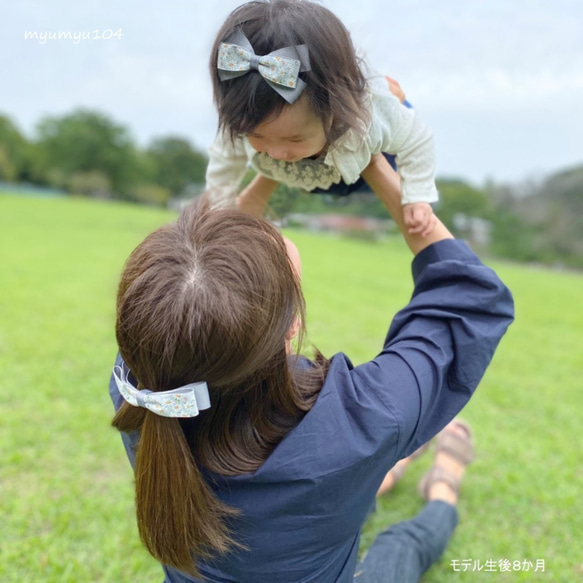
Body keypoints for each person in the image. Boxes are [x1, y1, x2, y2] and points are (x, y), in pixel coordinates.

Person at [108, 154, 514, 582]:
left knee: (351, 482)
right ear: (292, 329)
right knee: (399, 547)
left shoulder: (143, 389)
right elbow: (469, 298)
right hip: (343, 480)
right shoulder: (362, 423)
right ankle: (443, 489)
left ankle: (384, 474)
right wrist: (372, 157)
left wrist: (274, 164)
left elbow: (199, 276)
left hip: (335, 480)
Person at [205, 0, 438, 236]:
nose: (276, 152)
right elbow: (224, 162)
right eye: (256, 135)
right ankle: (286, 159)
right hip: (305, 169)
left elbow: (417, 138)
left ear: (335, 114)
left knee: (390, 107)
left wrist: (417, 197)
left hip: (363, 162)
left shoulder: (373, 119)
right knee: (273, 158)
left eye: (294, 138)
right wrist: (219, 206)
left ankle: (391, 98)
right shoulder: (244, 120)